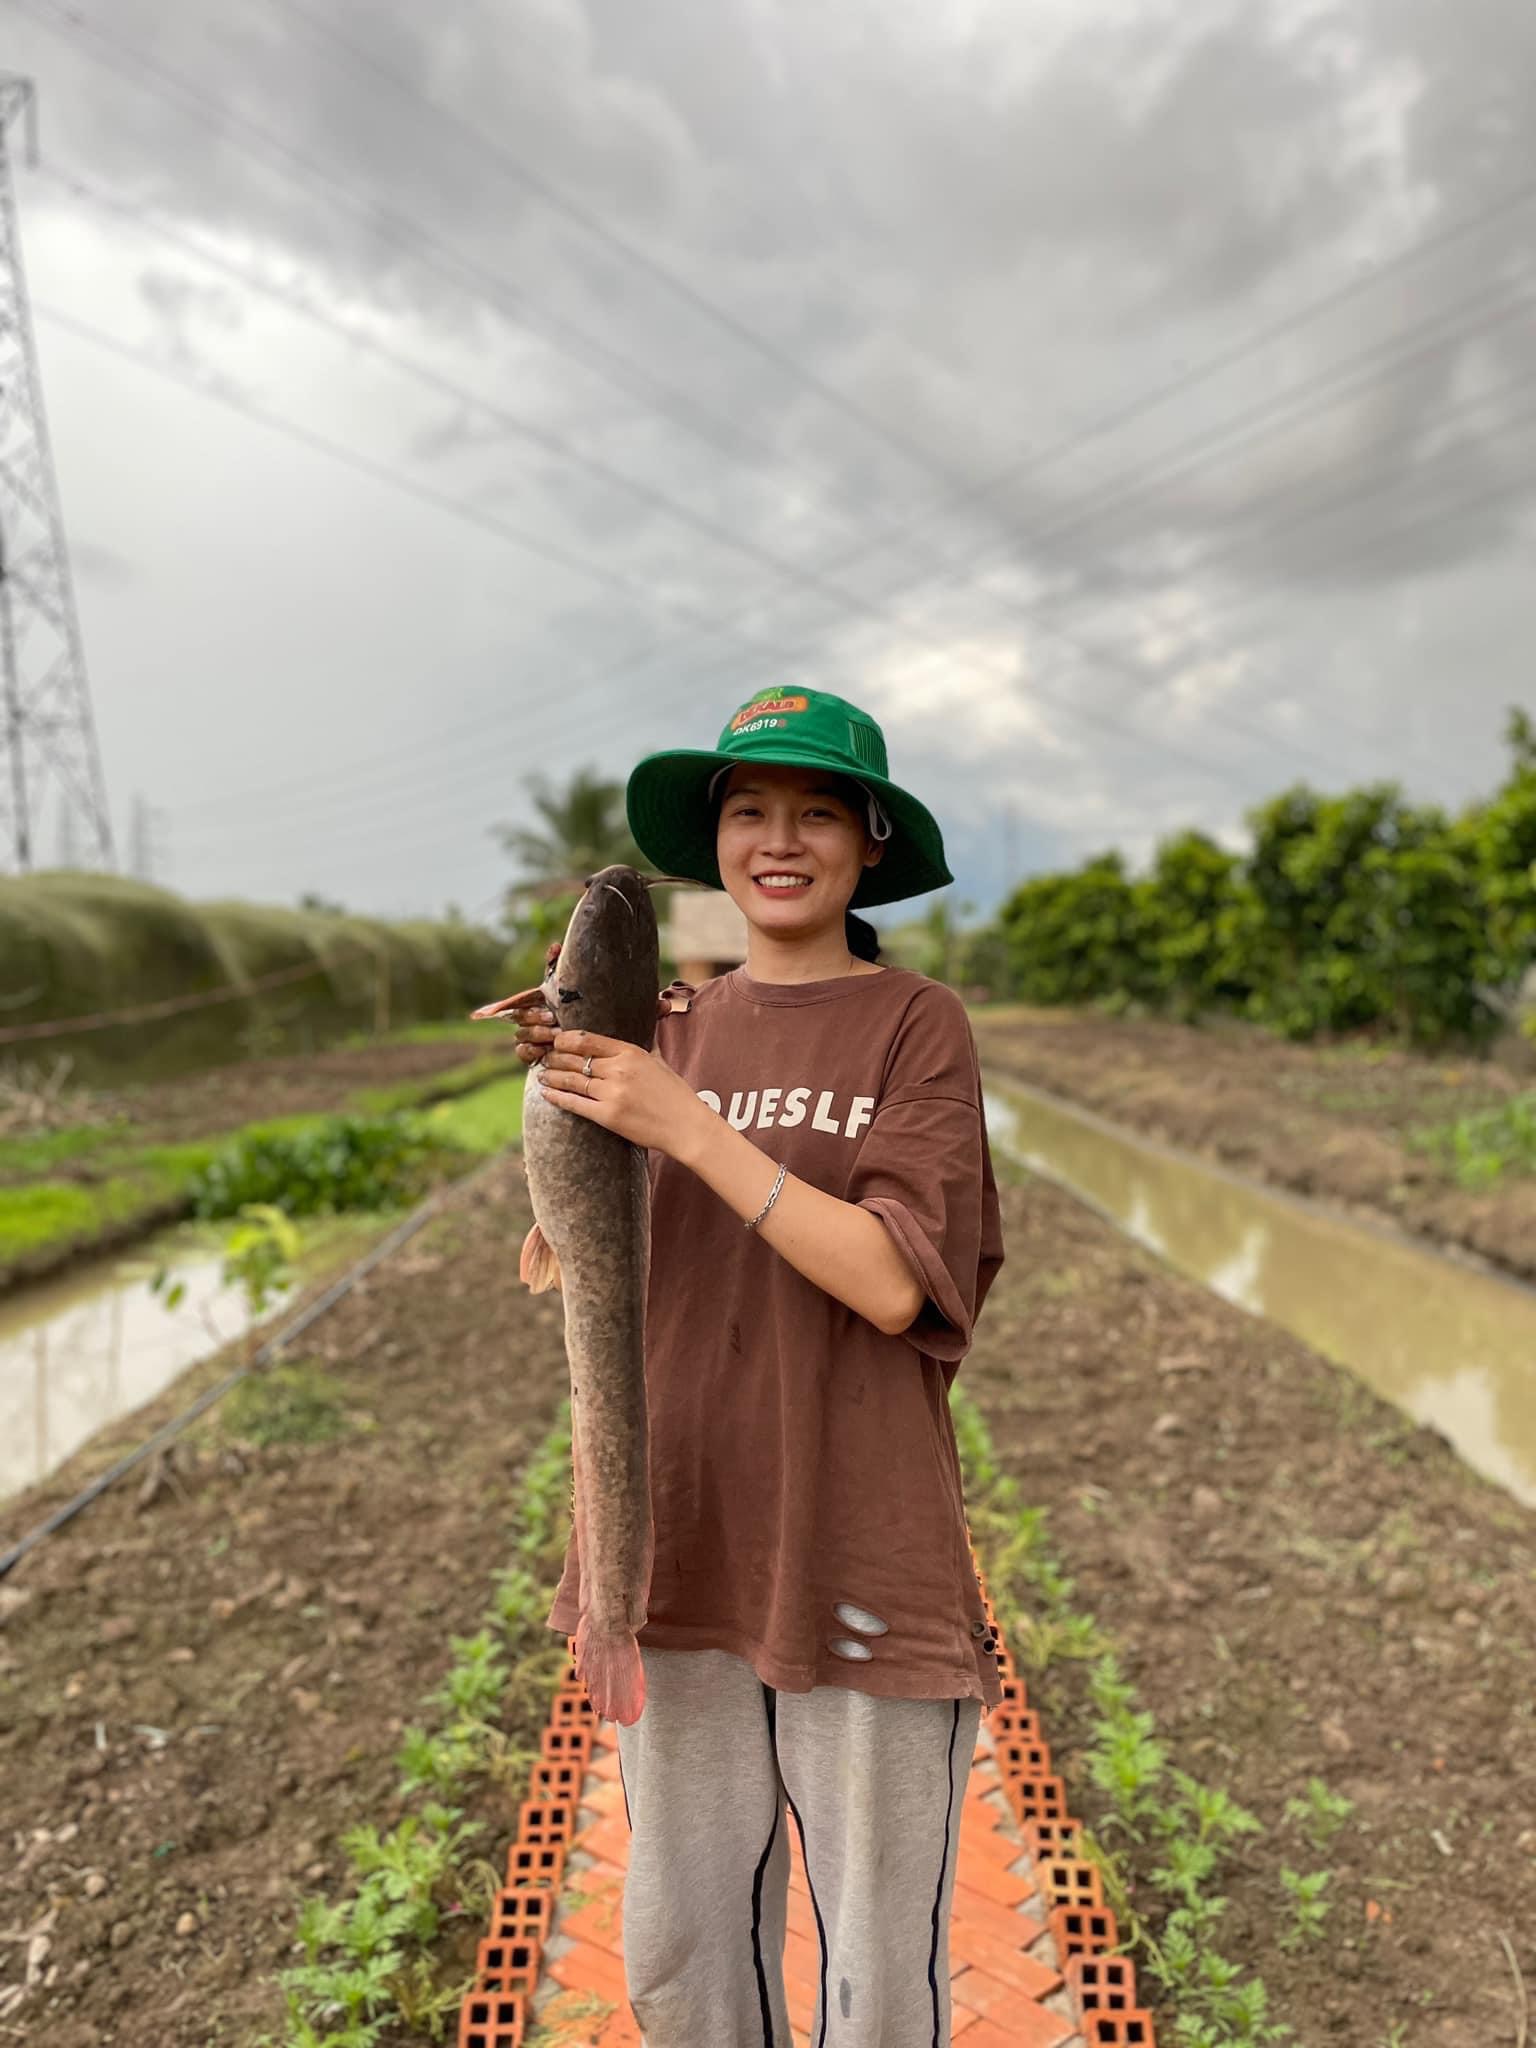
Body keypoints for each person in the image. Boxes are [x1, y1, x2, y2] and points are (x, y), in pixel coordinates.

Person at [498, 685, 1004, 2048]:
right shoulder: (664, 1029)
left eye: (817, 812)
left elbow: (898, 1281)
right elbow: (575, 1225)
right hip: (682, 1540)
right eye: (749, 811)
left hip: (859, 1550)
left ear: (872, 840)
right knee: (682, 1954)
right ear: (714, 843)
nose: (780, 839)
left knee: (875, 1977)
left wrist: (694, 1126)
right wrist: (577, 1065)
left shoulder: (915, 1024)